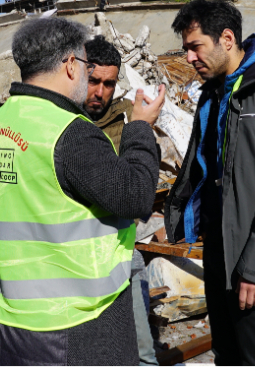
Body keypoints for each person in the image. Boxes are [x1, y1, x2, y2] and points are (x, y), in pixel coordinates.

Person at [0, 17, 166, 366]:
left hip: (5, 320)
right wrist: (139, 127)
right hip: (74, 324)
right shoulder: (70, 133)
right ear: (72, 65)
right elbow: (135, 196)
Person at [163, 0, 255, 366]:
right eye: (186, 49)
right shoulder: (214, 93)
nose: (189, 58)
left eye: (196, 46)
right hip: (221, 253)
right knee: (228, 358)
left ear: (227, 39)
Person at [83, 35, 157, 366]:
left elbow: (139, 187)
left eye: (109, 84)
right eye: (93, 81)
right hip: (76, 261)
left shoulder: (129, 119)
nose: (100, 92)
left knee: (142, 353)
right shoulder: (60, 121)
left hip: (122, 255)